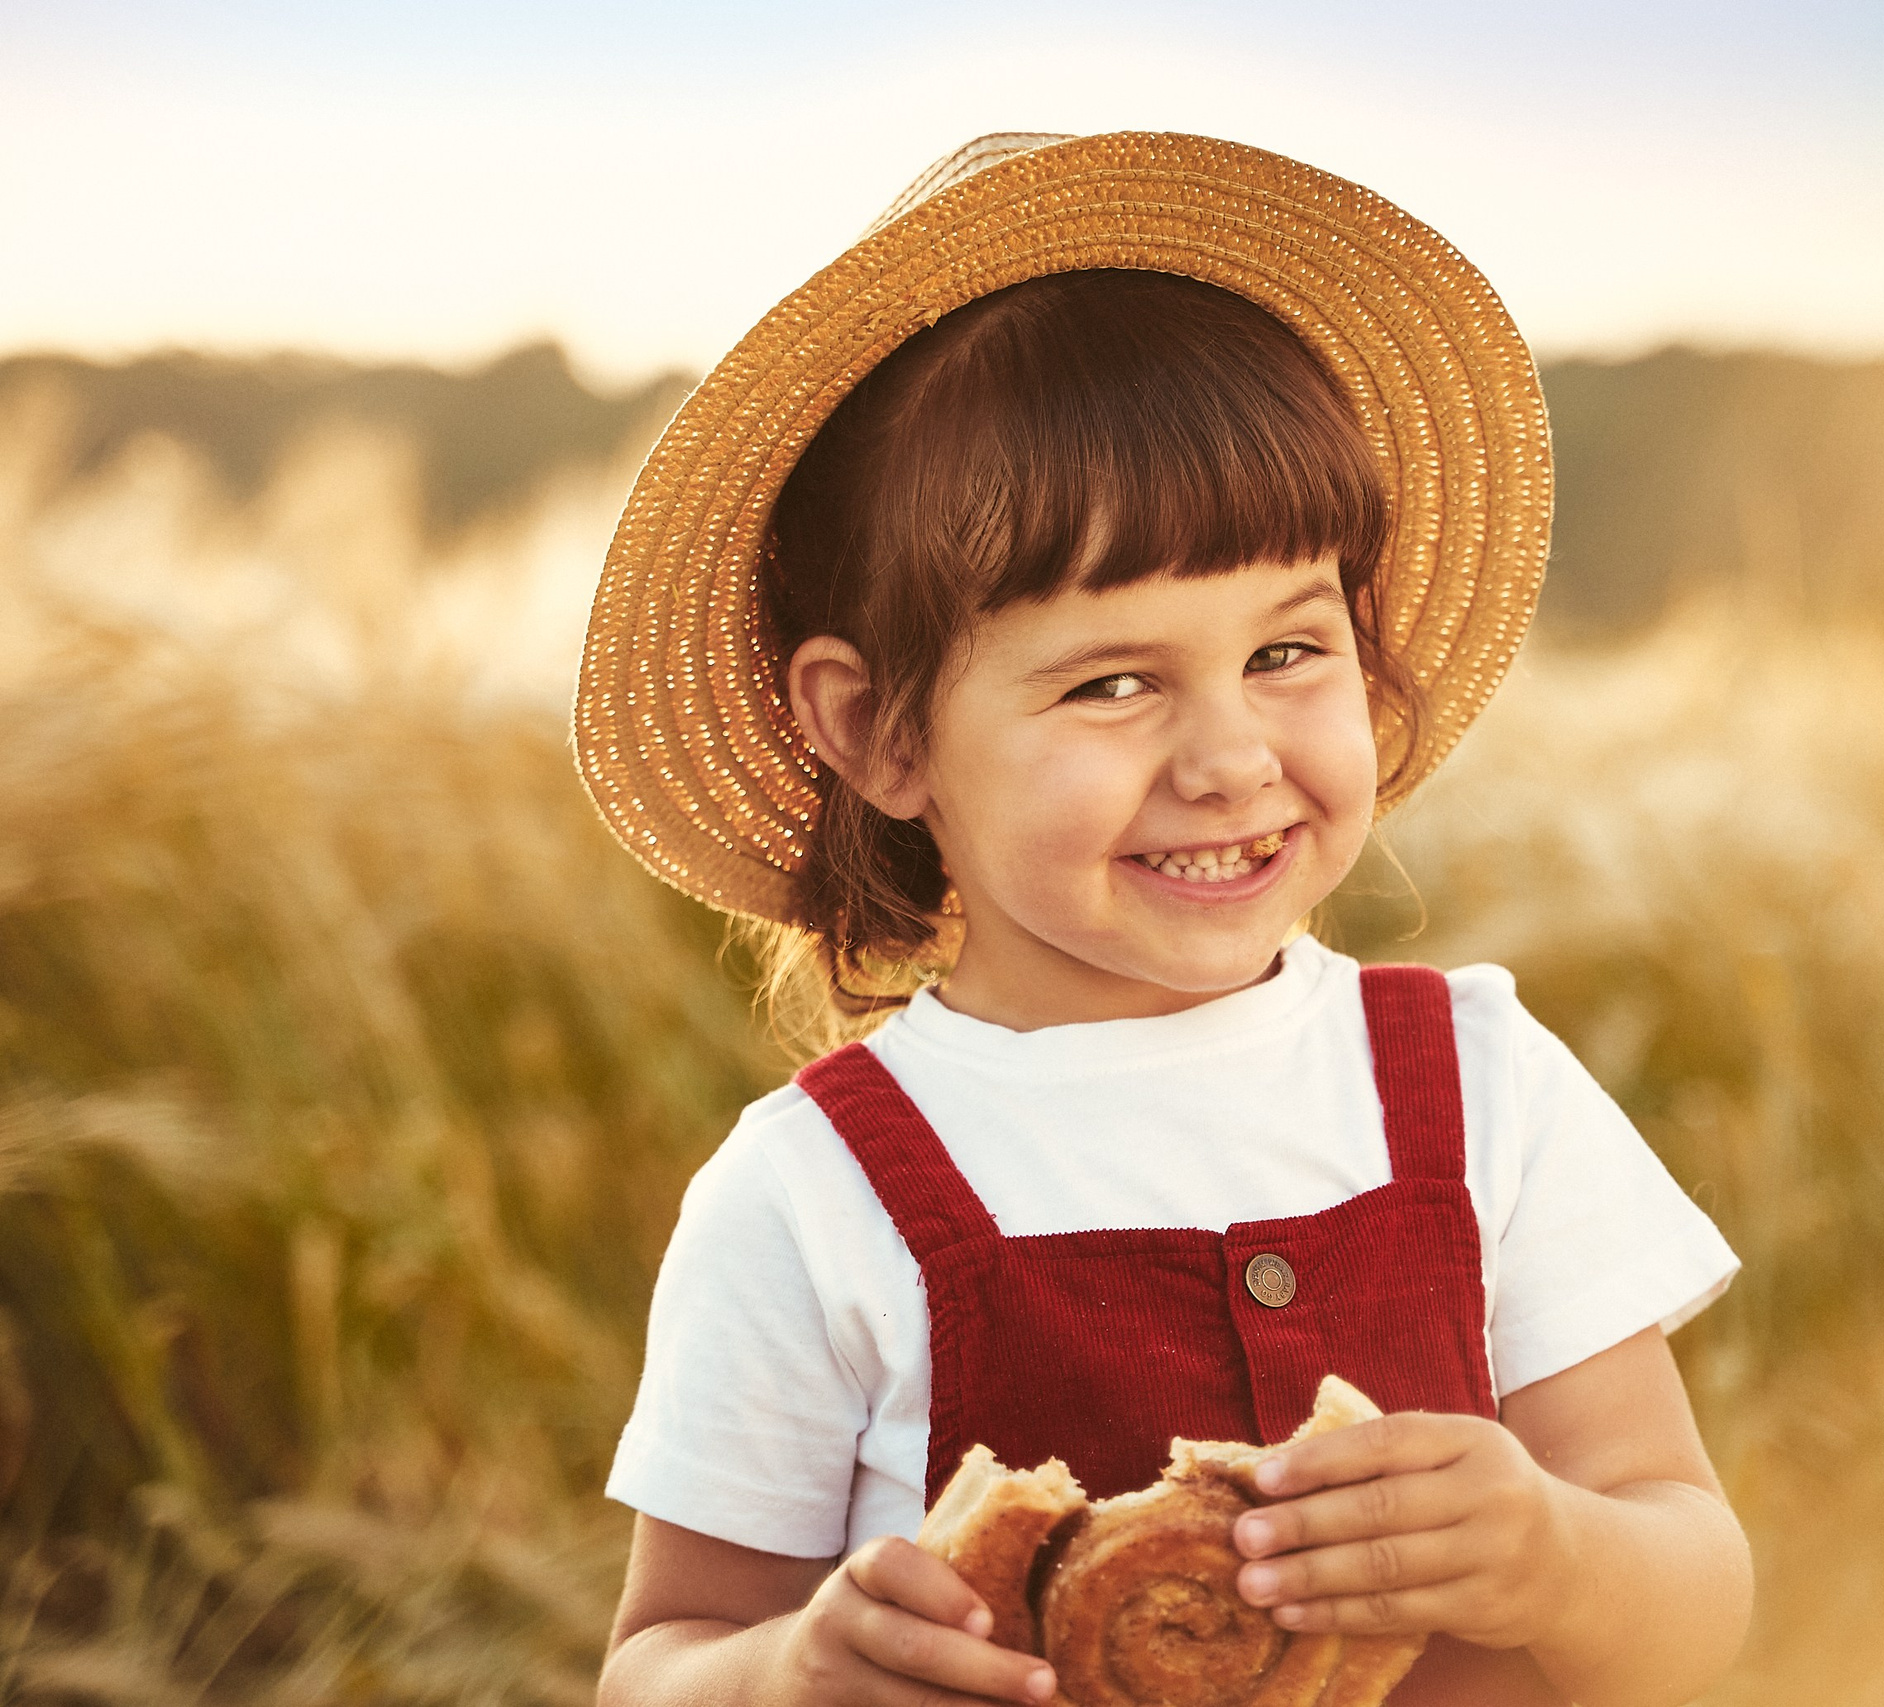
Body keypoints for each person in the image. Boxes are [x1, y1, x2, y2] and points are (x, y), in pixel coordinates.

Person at [579, 132, 1751, 1707]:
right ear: (882, 736)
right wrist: (787, 1673)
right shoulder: (812, 1199)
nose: (1229, 760)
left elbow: (1694, 1583)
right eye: (1112, 683)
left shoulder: (1478, 1085)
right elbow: (657, 1658)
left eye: (1288, 651)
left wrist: (1554, 1553)